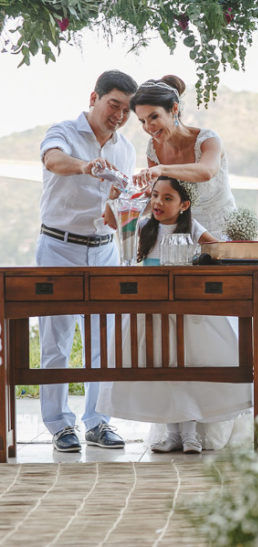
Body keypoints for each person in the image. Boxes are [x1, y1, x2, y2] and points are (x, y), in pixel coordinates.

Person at [96, 176, 258, 454]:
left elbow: (216, 249)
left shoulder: (192, 228)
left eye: (167, 198)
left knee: (188, 369)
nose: (158, 202)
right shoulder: (144, 226)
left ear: (184, 205)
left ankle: (191, 435)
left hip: (186, 311)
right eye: (155, 196)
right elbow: (113, 221)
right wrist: (113, 195)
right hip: (150, 308)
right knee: (161, 369)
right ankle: (171, 434)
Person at [37, 69, 138, 452]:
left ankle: (97, 422)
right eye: (114, 105)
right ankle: (60, 425)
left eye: (127, 110)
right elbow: (53, 161)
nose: (119, 115)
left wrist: (125, 201)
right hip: (57, 247)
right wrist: (87, 166)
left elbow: (114, 210)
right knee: (56, 339)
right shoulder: (63, 130)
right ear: (94, 97)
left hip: (104, 248)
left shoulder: (124, 148)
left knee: (104, 341)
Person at [127, 75, 237, 239]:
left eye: (154, 117)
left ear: (174, 109)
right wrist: (127, 203)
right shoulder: (153, 149)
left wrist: (162, 169)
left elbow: (206, 171)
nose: (148, 127)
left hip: (224, 235)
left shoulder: (208, 140)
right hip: (183, 237)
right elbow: (160, 198)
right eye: (142, 121)